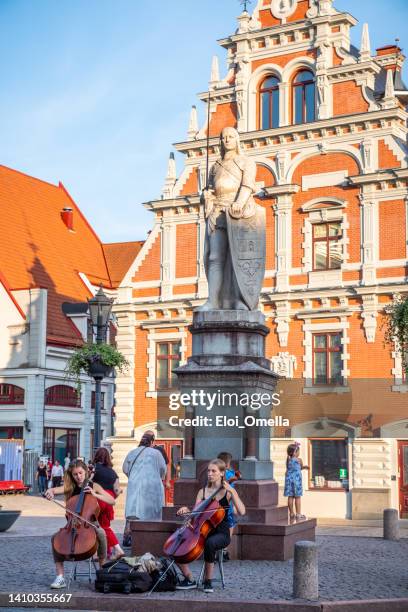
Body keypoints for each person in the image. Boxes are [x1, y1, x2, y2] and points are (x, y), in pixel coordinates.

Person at [199, 126, 265, 311]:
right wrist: (206, 197)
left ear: (237, 140)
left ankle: (240, 300)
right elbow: (212, 190)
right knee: (214, 257)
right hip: (217, 212)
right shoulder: (215, 166)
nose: (226, 140)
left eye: (230, 136)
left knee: (239, 257)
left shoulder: (246, 162)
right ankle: (213, 301)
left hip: (239, 214)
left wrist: (239, 202)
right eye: (223, 137)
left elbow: (247, 185)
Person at [175, 458, 245, 593]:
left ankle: (208, 581)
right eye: (208, 471)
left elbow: (241, 511)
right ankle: (189, 578)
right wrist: (186, 510)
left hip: (221, 533)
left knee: (210, 543)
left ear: (222, 473)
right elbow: (195, 514)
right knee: (178, 542)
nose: (210, 474)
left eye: (214, 471)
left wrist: (233, 491)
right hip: (202, 530)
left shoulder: (227, 492)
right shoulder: (202, 492)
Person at [45, 458, 115, 589]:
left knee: (101, 533)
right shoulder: (70, 487)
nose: (78, 477)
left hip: (91, 523)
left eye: (81, 473)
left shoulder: (94, 486)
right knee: (55, 538)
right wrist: (50, 491)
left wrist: (95, 494)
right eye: (75, 474)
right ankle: (60, 577)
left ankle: (102, 570)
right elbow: (54, 490)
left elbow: (111, 500)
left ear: (86, 472)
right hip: (73, 524)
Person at [122, 432, 166, 547]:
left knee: (135, 513)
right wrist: (158, 477)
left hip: (135, 485)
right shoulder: (156, 453)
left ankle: (132, 539)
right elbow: (163, 469)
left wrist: (133, 478)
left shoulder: (132, 452)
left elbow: (125, 469)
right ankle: (152, 540)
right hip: (153, 486)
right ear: (152, 442)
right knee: (152, 514)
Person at [91, 447, 124, 561]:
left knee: (98, 527)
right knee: (103, 526)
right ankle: (105, 552)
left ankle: (118, 549)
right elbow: (116, 491)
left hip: (99, 499)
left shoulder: (95, 469)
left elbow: (89, 484)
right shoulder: (113, 472)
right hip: (109, 500)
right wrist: (116, 494)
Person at [217, 451, 237, 560]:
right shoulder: (230, 474)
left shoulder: (217, 473)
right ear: (227, 463)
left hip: (216, 505)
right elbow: (230, 492)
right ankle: (224, 550)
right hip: (227, 505)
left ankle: (216, 550)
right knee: (230, 525)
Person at [284, 442, 309, 521]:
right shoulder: (299, 460)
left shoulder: (288, 460)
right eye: (298, 451)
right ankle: (298, 514)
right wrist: (305, 467)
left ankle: (291, 513)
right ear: (295, 452)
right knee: (297, 497)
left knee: (290, 496)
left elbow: (289, 469)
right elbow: (299, 468)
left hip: (289, 480)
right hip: (296, 481)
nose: (299, 453)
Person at [145, 430, 171, 498]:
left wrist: (167, 481)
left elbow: (167, 465)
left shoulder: (159, 450)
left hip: (158, 481)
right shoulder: (140, 450)